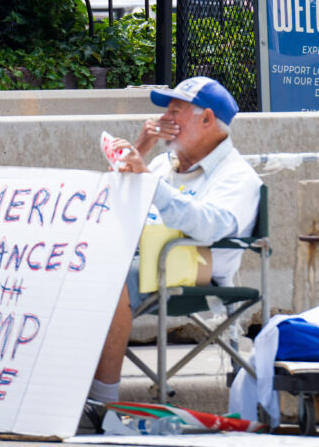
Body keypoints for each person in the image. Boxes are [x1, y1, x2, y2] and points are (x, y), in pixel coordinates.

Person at [86, 76, 261, 410]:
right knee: (79, 265)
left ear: (207, 119)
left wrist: (151, 182)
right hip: (146, 256)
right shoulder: (162, 164)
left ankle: (103, 402)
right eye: (166, 112)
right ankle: (68, 386)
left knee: (111, 276)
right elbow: (116, 207)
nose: (165, 120)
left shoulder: (238, 176)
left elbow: (210, 227)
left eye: (176, 111)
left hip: (198, 265)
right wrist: (139, 151)